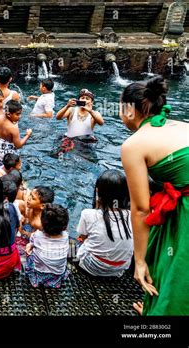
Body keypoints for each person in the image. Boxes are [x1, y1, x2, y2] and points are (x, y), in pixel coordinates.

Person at [119, 75, 189, 315]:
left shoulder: (134, 145)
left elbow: (141, 209)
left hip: (185, 211)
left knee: (177, 272)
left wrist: (139, 261)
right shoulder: (182, 125)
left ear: (129, 110)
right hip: (180, 198)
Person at [76, 169, 133, 277]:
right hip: (119, 269)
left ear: (98, 191)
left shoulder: (87, 214)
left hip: (92, 266)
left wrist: (97, 206)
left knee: (73, 242)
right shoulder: (131, 216)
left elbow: (83, 239)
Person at [25, 204, 70, 288]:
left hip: (39, 273)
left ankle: (34, 280)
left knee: (29, 247)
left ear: (42, 223)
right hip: (57, 274)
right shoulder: (66, 236)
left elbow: (32, 244)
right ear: (65, 226)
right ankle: (55, 282)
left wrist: (30, 245)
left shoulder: (37, 235)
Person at [0, 100, 32, 168]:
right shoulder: (13, 128)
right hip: (8, 157)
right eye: (17, 114)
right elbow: (18, 146)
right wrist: (28, 135)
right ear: (9, 114)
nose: (20, 116)